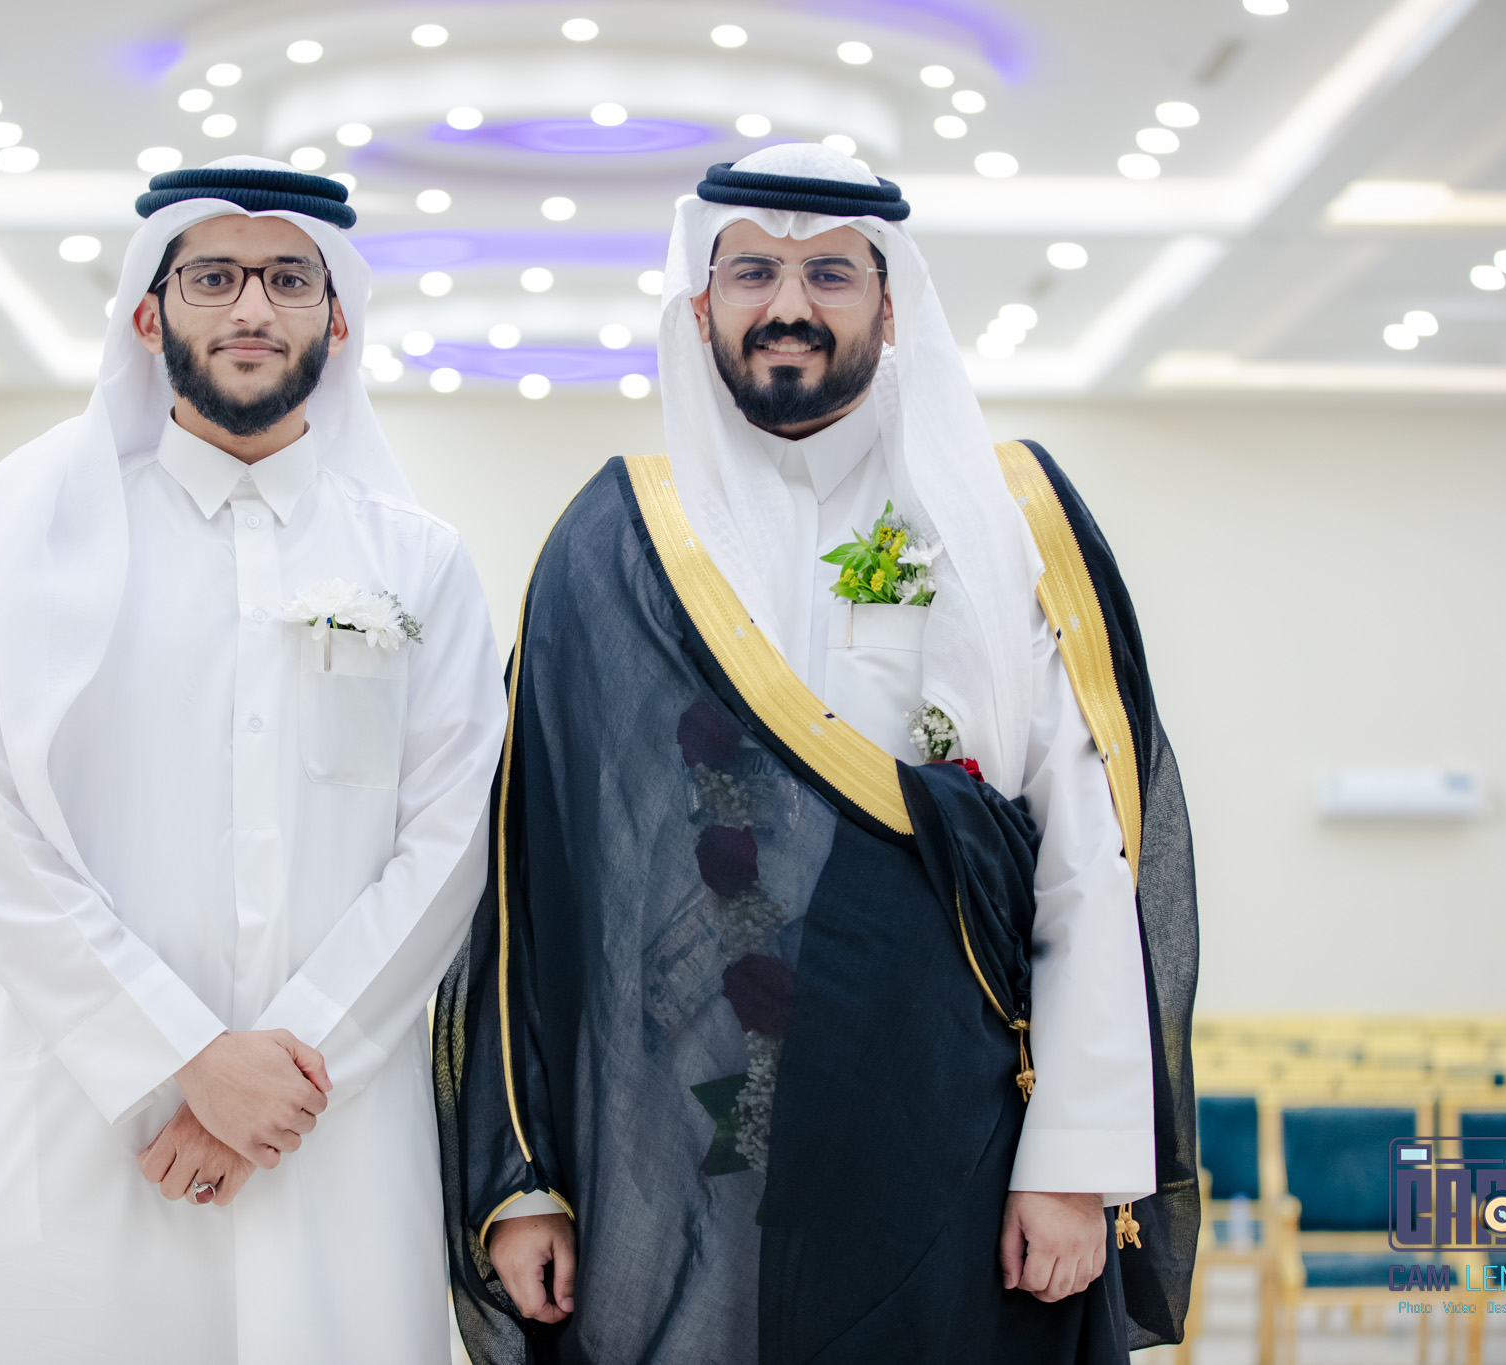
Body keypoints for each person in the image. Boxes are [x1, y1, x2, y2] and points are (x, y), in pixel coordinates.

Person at [435, 144, 1198, 1364]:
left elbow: (1082, 857)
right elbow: (537, 877)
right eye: (752, 272)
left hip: (951, 1118)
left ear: (890, 305)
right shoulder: (619, 536)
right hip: (685, 1149)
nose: (787, 304)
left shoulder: (1005, 518)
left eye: (830, 273)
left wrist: (1071, 1161)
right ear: (701, 304)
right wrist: (527, 1178)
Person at [0, 156, 506, 1364]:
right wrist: (182, 1058)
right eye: (213, 278)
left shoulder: (419, 562)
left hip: (328, 1126)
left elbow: (450, 844)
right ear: (147, 314)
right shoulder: (29, 541)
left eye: (287, 279)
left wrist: (280, 1076)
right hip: (84, 1111)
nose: (250, 308)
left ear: (337, 319)